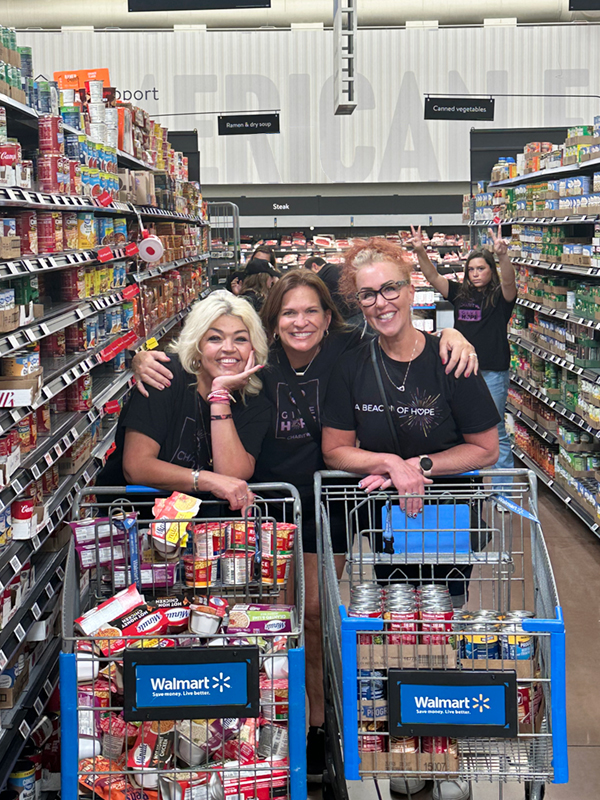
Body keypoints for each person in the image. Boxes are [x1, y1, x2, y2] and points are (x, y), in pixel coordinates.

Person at [131, 270, 479, 784]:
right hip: (264, 506)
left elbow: (400, 332)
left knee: (316, 616)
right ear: (272, 321)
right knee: (268, 620)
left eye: (311, 310)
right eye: (289, 312)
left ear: (328, 316)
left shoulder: (349, 349)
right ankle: (269, 727)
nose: (301, 321)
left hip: (332, 504)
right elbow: (194, 351)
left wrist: (451, 332)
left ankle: (321, 728)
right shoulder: (252, 362)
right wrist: (136, 355)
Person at [97, 291, 272, 514]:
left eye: (240, 339)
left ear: (253, 349)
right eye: (214, 338)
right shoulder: (164, 377)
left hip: (203, 531)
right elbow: (137, 467)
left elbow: (231, 475)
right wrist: (206, 480)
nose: (228, 348)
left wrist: (220, 395)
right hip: (134, 521)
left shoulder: (254, 400)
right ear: (197, 347)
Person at [409, 223, 517, 494]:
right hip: (461, 370)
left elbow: (509, 282)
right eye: (471, 269)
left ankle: (502, 493)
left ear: (490, 270)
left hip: (492, 372)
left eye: (481, 268)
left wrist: (503, 256)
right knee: (461, 430)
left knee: (495, 432)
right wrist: (421, 251)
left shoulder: (499, 298)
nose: (475, 273)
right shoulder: (459, 294)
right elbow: (433, 276)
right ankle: (467, 488)